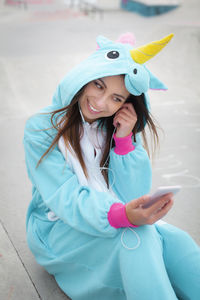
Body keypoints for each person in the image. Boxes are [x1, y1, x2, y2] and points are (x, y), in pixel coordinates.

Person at [24, 33, 200, 300]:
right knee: (136, 240)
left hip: (109, 217)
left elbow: (129, 198)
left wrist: (124, 142)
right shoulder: (41, 129)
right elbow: (65, 198)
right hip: (57, 229)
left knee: (176, 242)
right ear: (85, 76)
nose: (102, 102)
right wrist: (123, 217)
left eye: (117, 98)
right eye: (98, 85)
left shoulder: (115, 127)